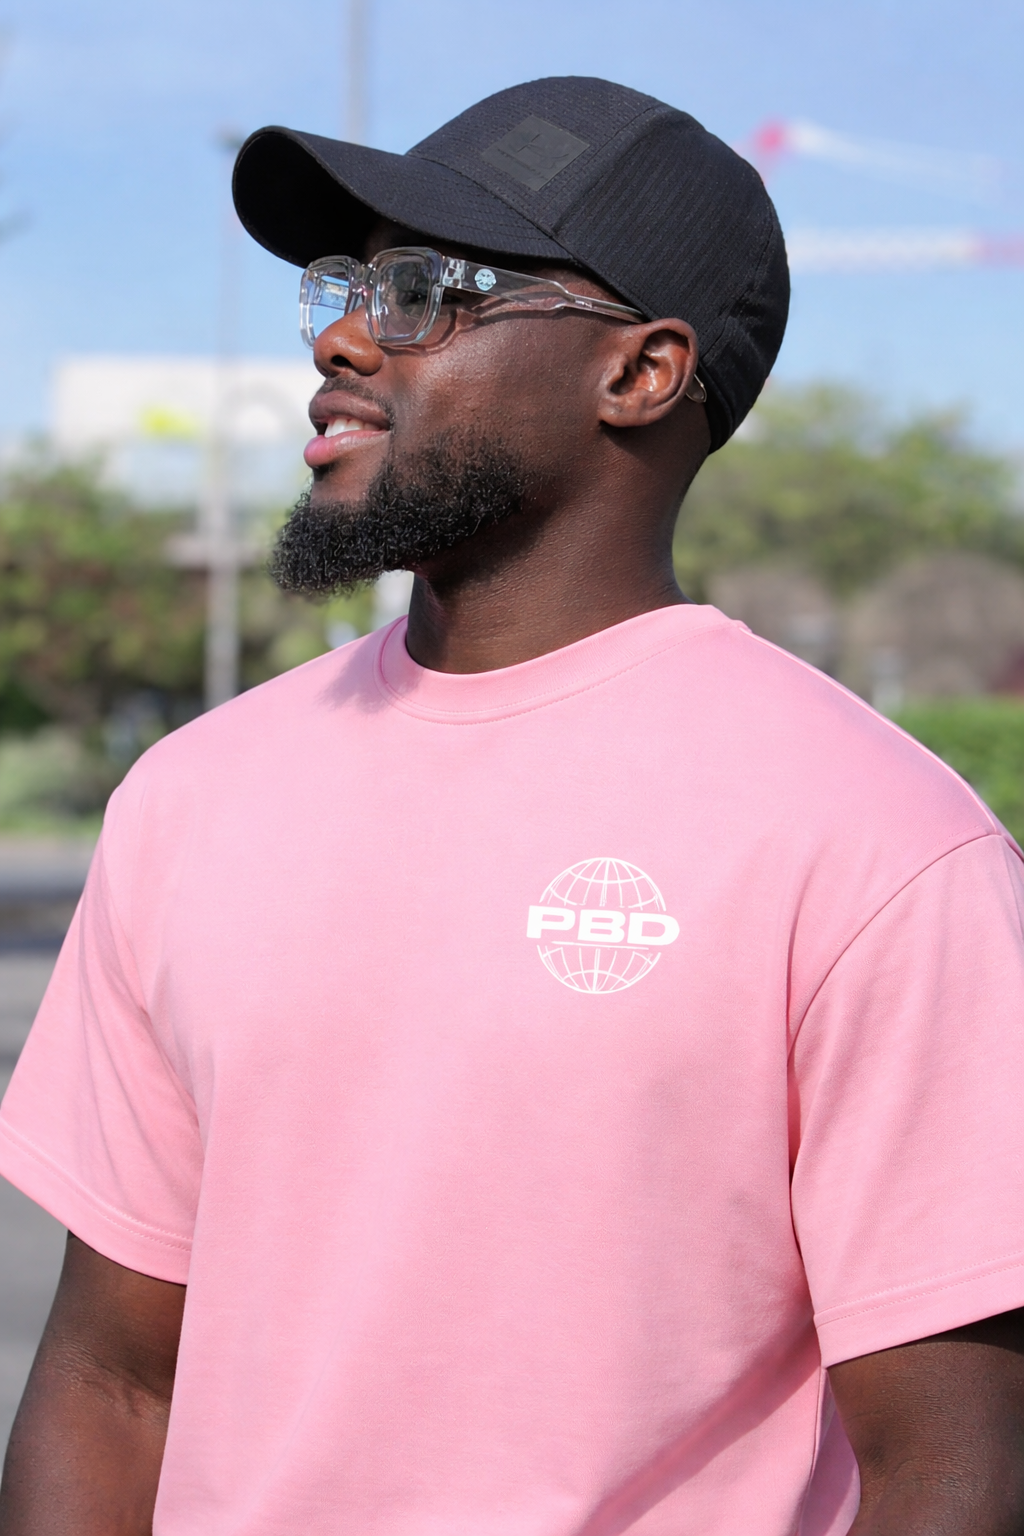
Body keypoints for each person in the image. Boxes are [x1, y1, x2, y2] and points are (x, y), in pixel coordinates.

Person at [1, 75, 1023, 1536]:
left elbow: (954, 1469)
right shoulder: (190, 797)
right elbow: (113, 1382)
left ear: (641, 373)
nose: (344, 337)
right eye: (345, 286)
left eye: (426, 292)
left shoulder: (882, 847)